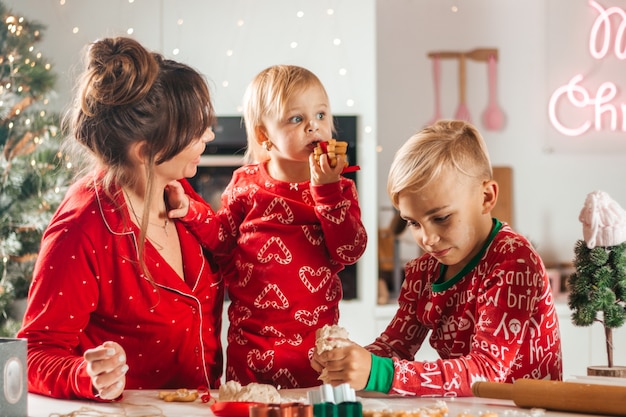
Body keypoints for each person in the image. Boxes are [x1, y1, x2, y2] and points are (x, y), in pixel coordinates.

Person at [16, 36, 224, 400]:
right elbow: (32, 352)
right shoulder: (82, 228)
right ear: (146, 151)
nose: (207, 135)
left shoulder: (177, 192)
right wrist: (87, 374)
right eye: (193, 130)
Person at [311, 120, 562, 396]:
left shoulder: (513, 261)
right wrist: (346, 362)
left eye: (441, 218)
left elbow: (487, 370)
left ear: (486, 197)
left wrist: (377, 373)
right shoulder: (425, 272)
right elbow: (395, 346)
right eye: (414, 223)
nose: (427, 239)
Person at [166, 64, 368, 388]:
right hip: (252, 346)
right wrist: (190, 210)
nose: (313, 127)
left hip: (315, 350)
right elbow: (222, 241)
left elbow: (349, 250)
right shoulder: (246, 183)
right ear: (264, 136)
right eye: (296, 119)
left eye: (320, 115)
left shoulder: (340, 189)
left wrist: (327, 192)